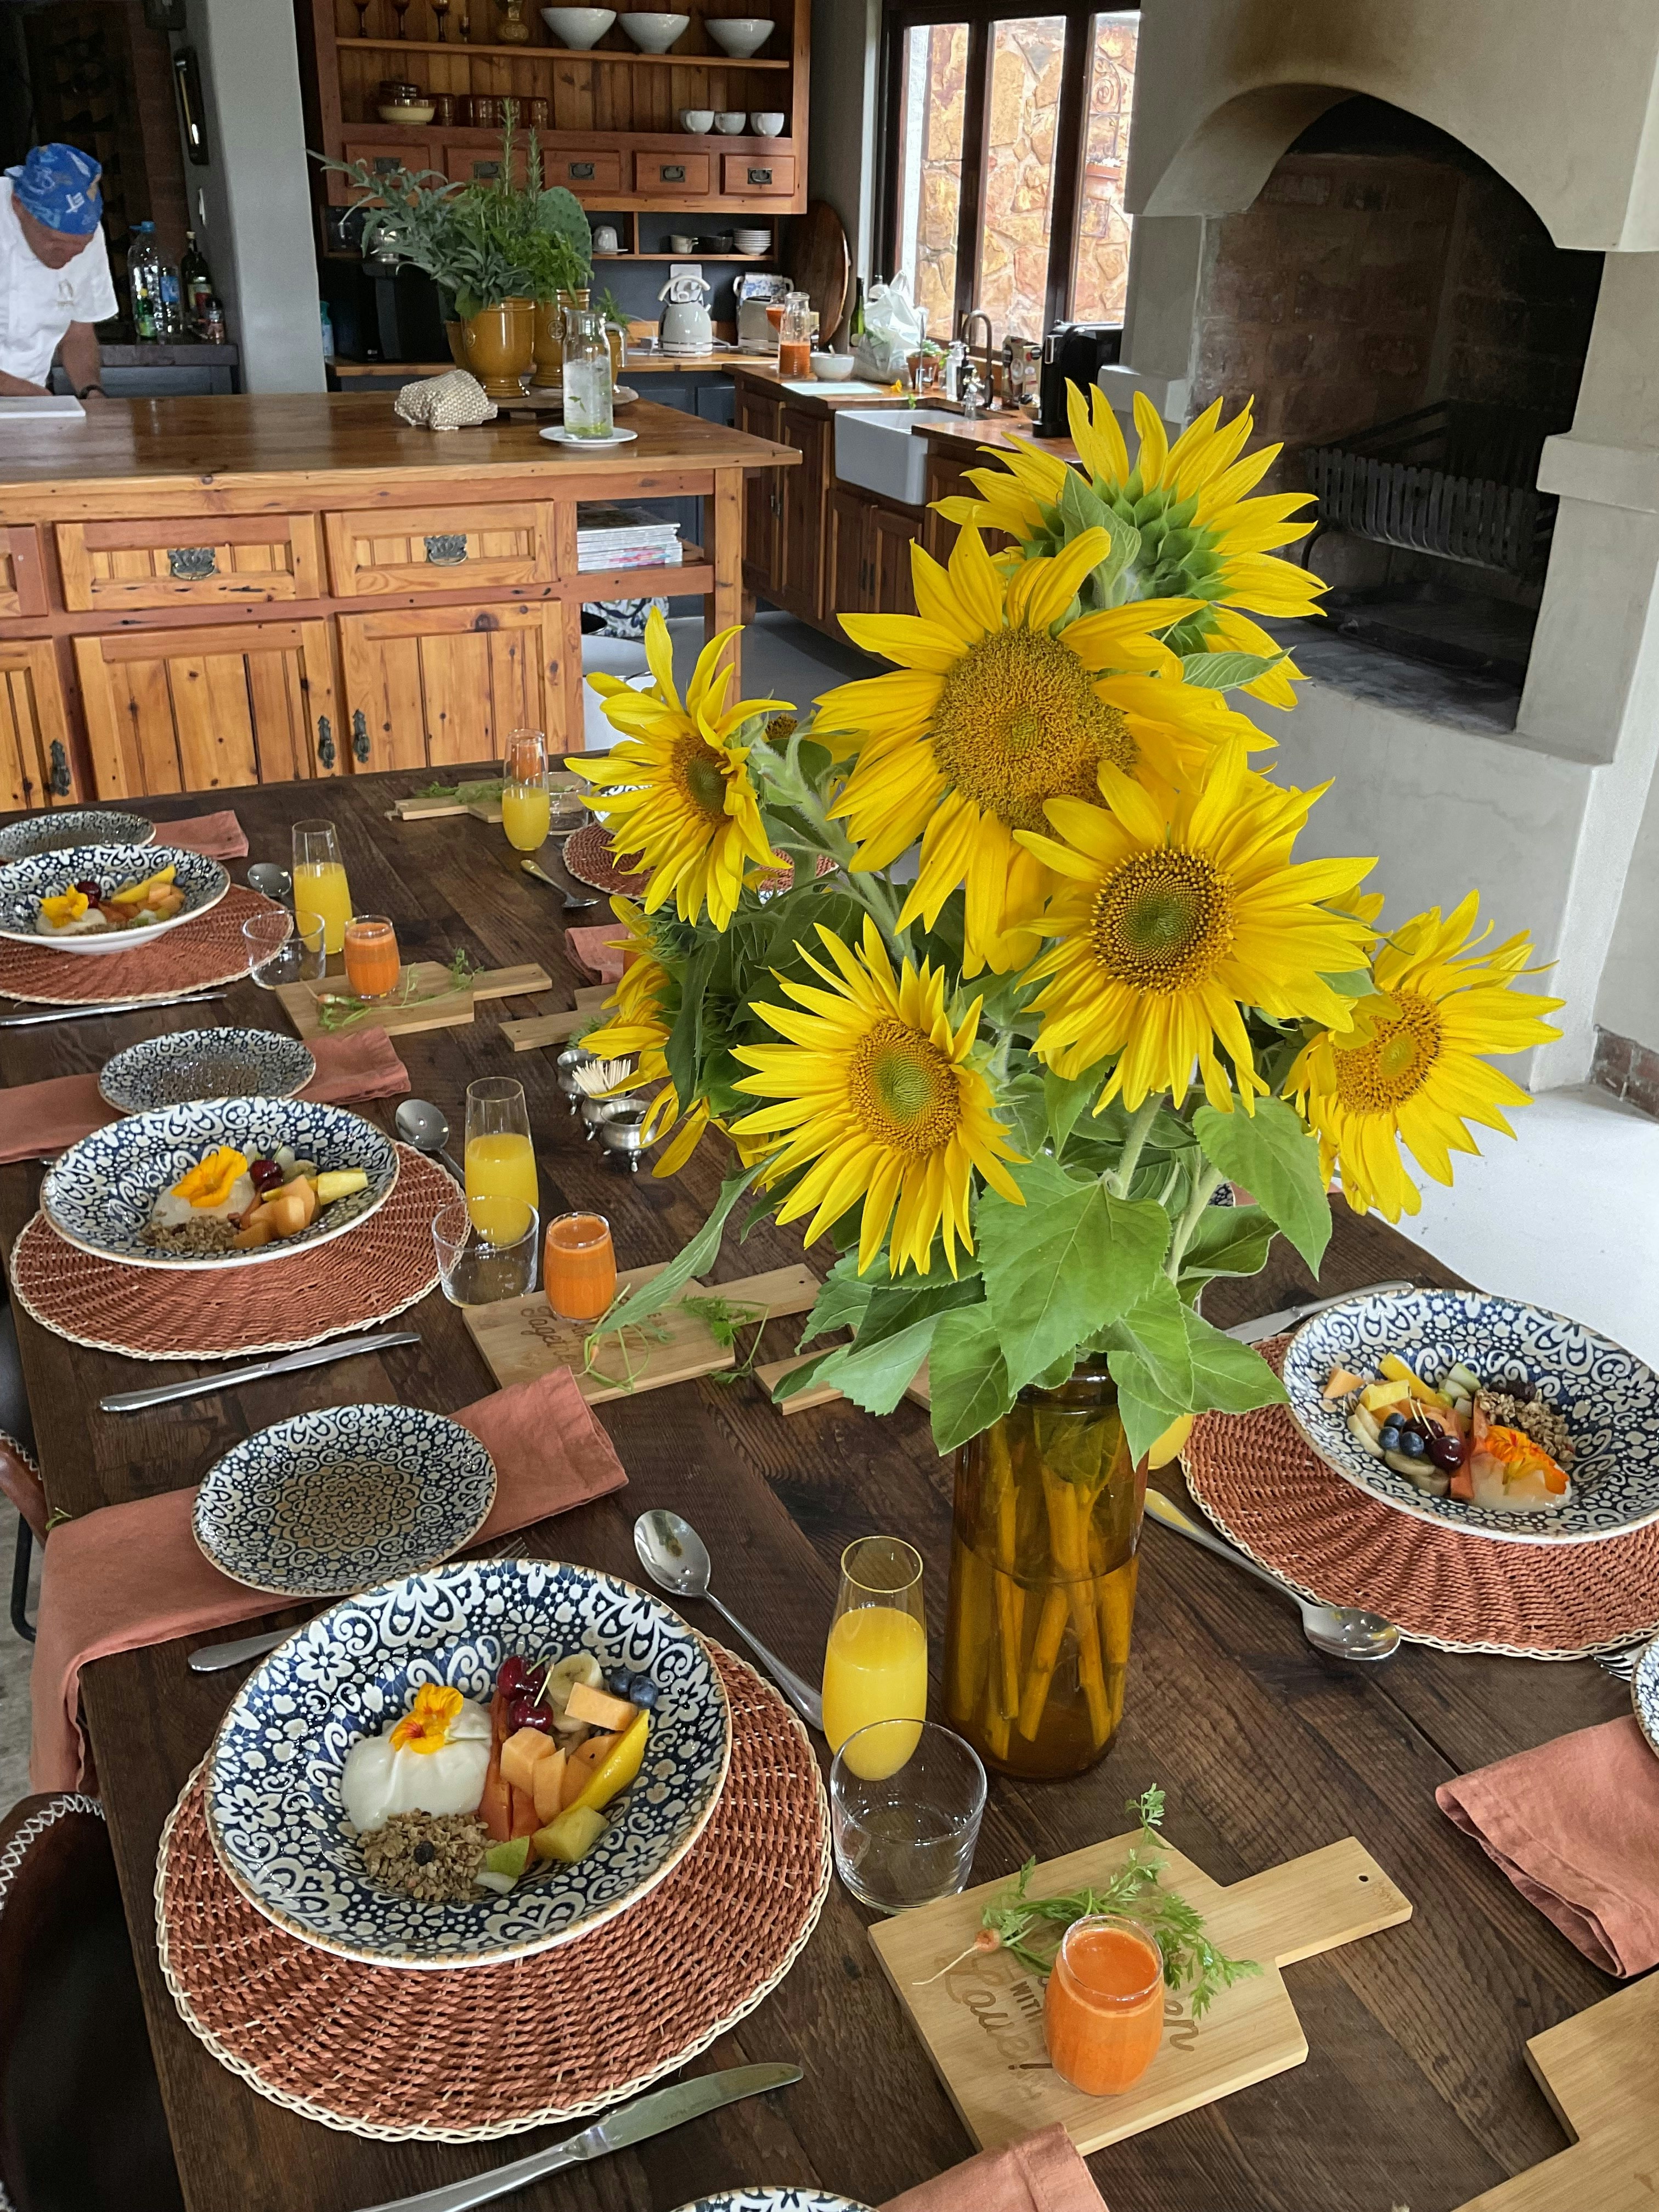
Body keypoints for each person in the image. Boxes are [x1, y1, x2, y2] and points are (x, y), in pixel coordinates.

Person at [0, 143, 117, 402]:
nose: (67, 256)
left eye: (79, 248)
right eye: (55, 243)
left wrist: (91, 392)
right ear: (18, 205)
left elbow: (78, 331)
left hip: (34, 403)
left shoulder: (85, 231)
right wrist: (21, 390)